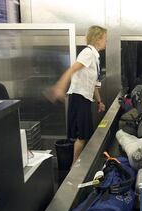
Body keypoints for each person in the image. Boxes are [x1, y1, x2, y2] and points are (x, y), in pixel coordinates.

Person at [49, 25, 107, 164]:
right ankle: (74, 167)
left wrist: (99, 102)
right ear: (98, 39)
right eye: (105, 38)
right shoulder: (88, 53)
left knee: (82, 135)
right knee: (82, 136)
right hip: (79, 97)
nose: (106, 41)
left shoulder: (95, 58)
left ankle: (75, 165)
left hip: (84, 98)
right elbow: (72, 69)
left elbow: (94, 85)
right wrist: (60, 86)